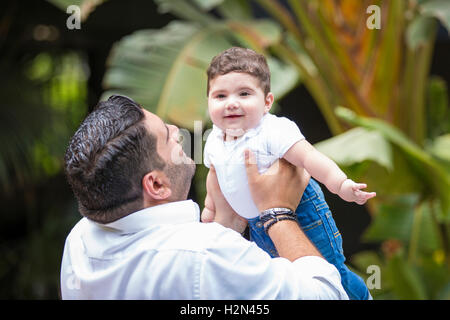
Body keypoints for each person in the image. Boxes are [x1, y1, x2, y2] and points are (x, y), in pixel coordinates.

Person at [60, 94, 348, 299]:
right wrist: (277, 211)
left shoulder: (80, 241)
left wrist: (226, 224)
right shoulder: (206, 254)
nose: (176, 131)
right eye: (166, 136)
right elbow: (328, 294)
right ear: (157, 185)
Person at [201, 47, 375, 300]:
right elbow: (215, 177)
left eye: (244, 93)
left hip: (303, 213)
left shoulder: (272, 130)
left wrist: (341, 184)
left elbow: (309, 157)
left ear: (267, 102)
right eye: (220, 96)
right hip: (257, 225)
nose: (232, 103)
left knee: (329, 272)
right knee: (285, 278)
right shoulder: (214, 140)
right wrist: (210, 210)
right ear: (208, 102)